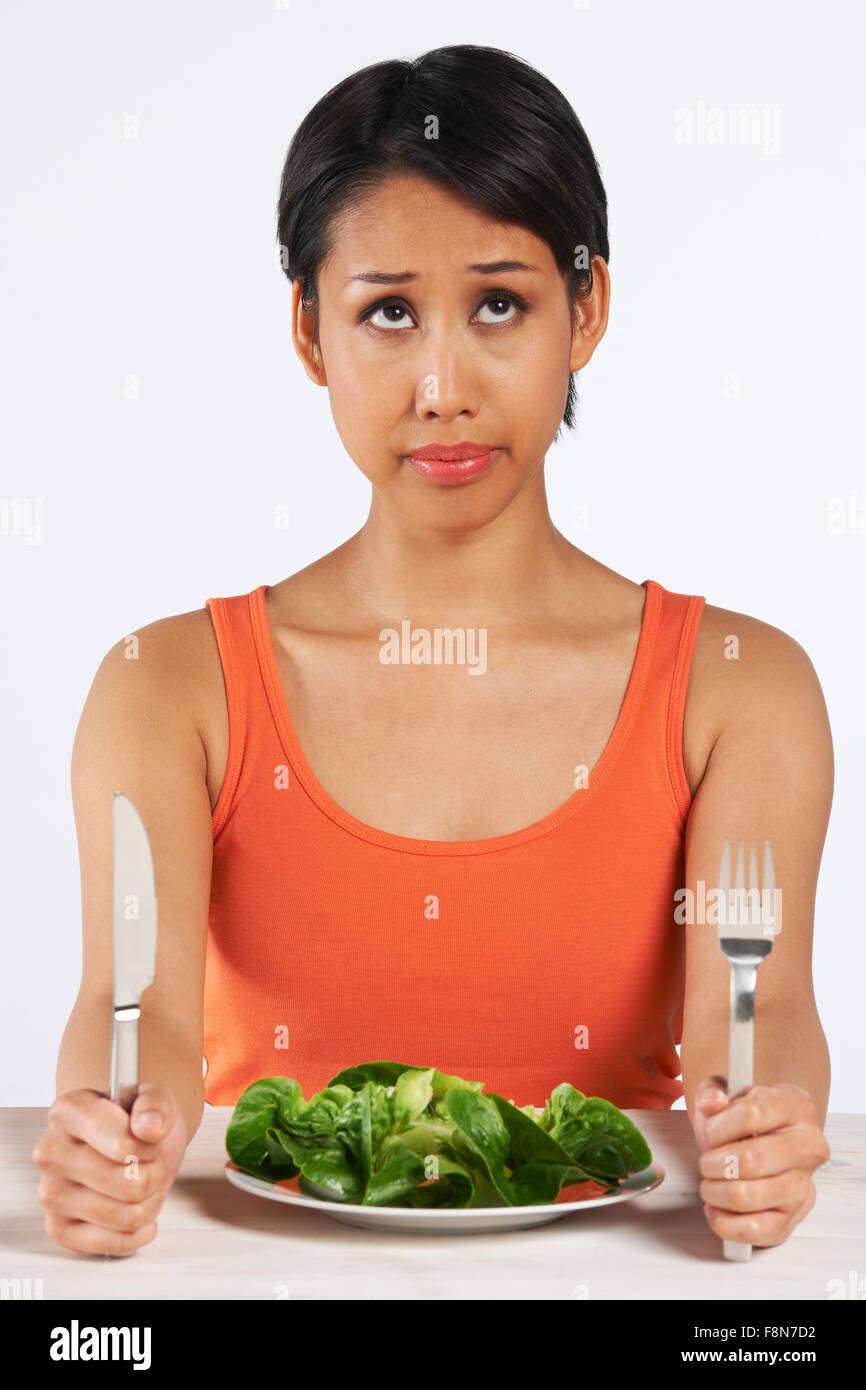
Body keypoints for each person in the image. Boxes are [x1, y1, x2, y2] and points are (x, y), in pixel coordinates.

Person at [35, 44, 831, 1257]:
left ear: (588, 311)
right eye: (388, 311)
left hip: (621, 1275)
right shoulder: (171, 687)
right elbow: (132, 1012)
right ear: (310, 331)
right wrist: (110, 1133)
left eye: (499, 303)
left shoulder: (737, 690)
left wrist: (761, 1128)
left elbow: (753, 1003)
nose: (443, 384)